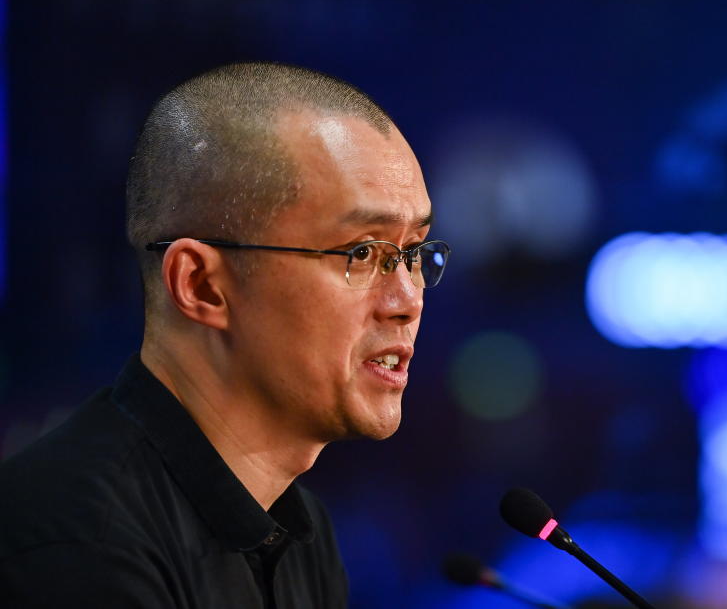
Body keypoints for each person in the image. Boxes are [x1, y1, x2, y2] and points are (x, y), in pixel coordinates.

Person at [0, 62, 449, 608]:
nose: (407, 301)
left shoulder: (304, 531)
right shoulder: (79, 544)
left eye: (414, 253)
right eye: (361, 252)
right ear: (202, 285)